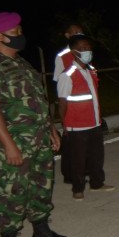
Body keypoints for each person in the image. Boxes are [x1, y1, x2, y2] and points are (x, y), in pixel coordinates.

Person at [0, 11, 68, 237]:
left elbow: (38, 101)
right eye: (15, 32)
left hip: (38, 139)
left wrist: (51, 129)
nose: (20, 36)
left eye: (20, 31)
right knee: (12, 191)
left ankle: (41, 230)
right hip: (14, 143)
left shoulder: (23, 64)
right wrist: (9, 146)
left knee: (41, 185)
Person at [56, 34, 114, 200]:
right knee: (78, 160)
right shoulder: (67, 75)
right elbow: (62, 103)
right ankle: (78, 188)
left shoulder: (90, 71)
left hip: (94, 123)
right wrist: (65, 125)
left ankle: (97, 183)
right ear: (73, 52)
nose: (86, 51)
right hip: (77, 126)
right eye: (82, 48)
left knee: (96, 156)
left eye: (88, 48)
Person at [53, 23, 84, 186]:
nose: (79, 34)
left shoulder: (85, 52)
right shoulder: (62, 56)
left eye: (80, 31)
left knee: (83, 144)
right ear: (67, 36)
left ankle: (81, 171)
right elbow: (59, 80)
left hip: (84, 105)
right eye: (75, 32)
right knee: (71, 142)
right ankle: (69, 174)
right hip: (70, 103)